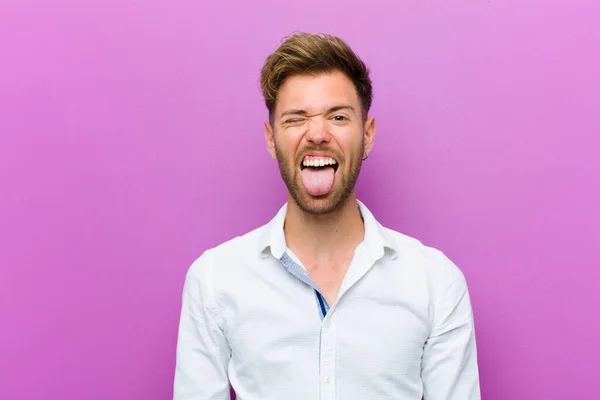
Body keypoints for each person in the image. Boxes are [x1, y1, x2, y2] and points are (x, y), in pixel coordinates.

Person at [173, 32, 481, 400]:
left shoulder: (436, 284)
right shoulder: (214, 281)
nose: (317, 134)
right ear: (272, 139)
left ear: (366, 135)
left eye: (337, 116)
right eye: (296, 119)